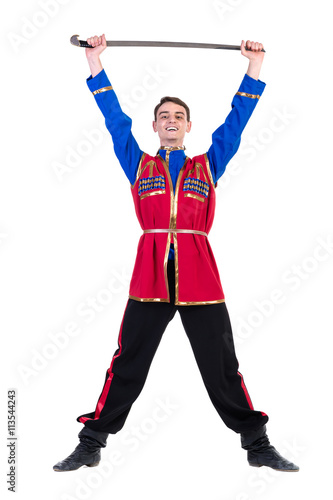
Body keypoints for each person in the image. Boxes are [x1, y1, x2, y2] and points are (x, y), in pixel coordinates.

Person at [53, 35, 299, 472]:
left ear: (188, 127)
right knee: (128, 361)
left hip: (200, 277)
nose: (171, 120)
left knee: (222, 364)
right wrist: (95, 62)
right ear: (155, 126)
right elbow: (115, 119)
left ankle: (257, 444)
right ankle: (91, 441)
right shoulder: (138, 163)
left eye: (178, 116)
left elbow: (236, 122)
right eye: (163, 116)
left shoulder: (208, 163)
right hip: (149, 275)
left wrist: (254, 66)